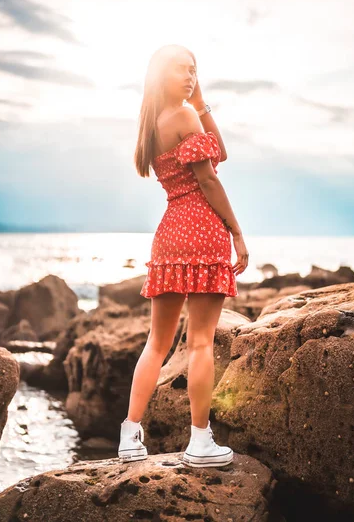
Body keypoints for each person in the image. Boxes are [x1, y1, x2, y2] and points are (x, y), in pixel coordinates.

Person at [118, 44, 249, 467]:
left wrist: (199, 100)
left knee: (157, 344)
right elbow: (211, 176)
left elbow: (217, 152)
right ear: (160, 75)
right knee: (200, 343)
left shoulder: (153, 123)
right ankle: (199, 441)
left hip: (170, 233)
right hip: (203, 229)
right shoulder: (184, 117)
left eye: (194, 70)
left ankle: (128, 436)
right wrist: (237, 232)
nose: (190, 76)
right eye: (181, 70)